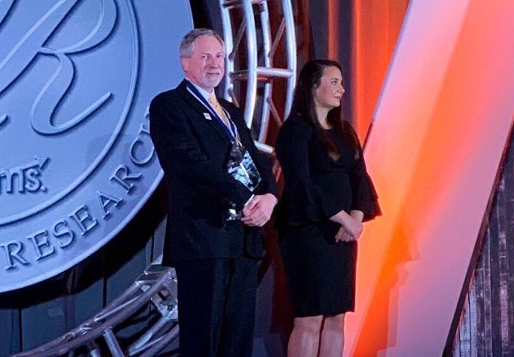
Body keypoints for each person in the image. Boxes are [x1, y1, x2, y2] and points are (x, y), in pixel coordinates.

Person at [149, 28, 278, 357]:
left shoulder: (230, 110)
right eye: (205, 56)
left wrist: (270, 197)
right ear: (185, 62)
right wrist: (246, 198)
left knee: (238, 340)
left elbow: (254, 158)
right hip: (204, 238)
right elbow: (190, 164)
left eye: (219, 56)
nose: (214, 64)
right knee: (203, 339)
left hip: (243, 239)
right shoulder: (169, 105)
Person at [276, 59, 381, 357]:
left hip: (343, 236)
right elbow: (301, 185)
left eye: (342, 83)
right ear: (313, 86)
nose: (342, 89)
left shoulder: (344, 130)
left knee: (337, 316)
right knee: (310, 317)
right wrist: (343, 219)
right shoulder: (295, 130)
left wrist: (355, 219)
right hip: (309, 233)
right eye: (334, 82)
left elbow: (360, 178)